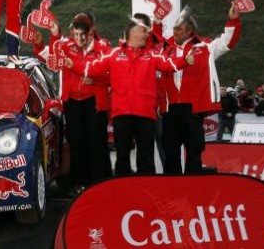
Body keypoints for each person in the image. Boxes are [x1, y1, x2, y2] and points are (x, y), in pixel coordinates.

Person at [67, 16, 195, 175]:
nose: (146, 35)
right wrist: (72, 64)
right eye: (143, 31)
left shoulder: (152, 55)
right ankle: (123, 192)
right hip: (122, 113)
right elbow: (91, 68)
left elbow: (168, 64)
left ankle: (147, 191)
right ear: (133, 32)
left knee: (146, 157)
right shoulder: (114, 54)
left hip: (145, 114)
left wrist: (184, 60)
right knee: (122, 156)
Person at [158, 2, 241, 175]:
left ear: (189, 30)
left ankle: (193, 184)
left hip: (193, 107)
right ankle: (172, 186)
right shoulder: (164, 48)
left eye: (179, 30)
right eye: (174, 29)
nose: (175, 33)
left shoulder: (205, 46)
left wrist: (232, 20)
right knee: (170, 149)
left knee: (194, 148)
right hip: (170, 107)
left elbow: (228, 42)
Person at [50, 13, 112, 193]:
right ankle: (80, 184)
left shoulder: (103, 47)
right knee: (76, 143)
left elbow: (112, 75)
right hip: (72, 101)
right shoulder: (67, 45)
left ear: (91, 30)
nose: (77, 38)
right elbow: (52, 57)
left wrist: (96, 81)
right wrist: (54, 34)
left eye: (81, 35)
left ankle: (100, 183)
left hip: (94, 101)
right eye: (74, 34)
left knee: (96, 143)